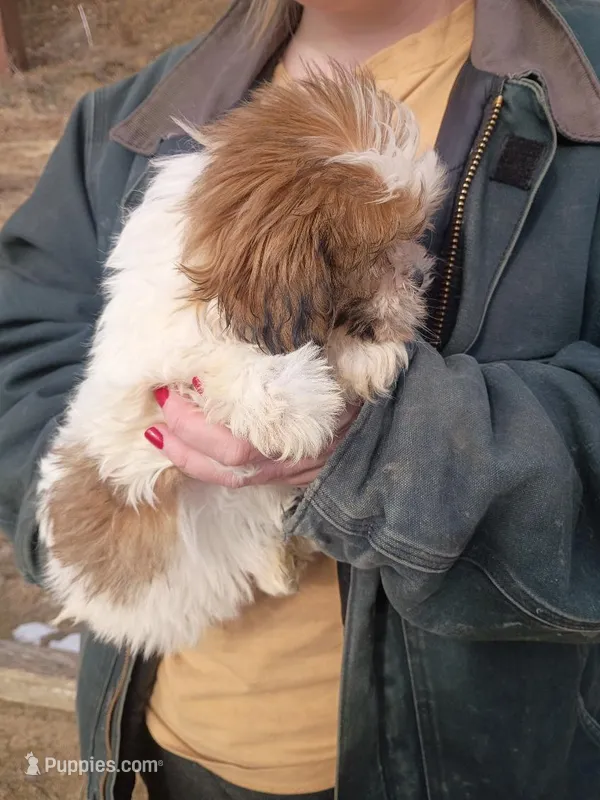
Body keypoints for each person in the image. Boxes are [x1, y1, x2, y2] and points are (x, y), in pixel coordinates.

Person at [1, 0, 600, 798]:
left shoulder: (578, 80)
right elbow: (19, 350)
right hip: (156, 745)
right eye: (386, 256)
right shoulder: (130, 115)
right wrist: (107, 487)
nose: (409, 271)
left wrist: (381, 445)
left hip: (466, 769)